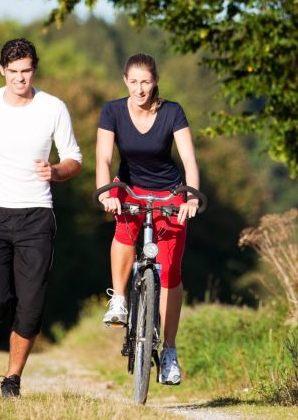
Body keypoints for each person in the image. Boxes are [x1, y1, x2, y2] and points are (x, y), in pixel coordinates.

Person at [0, 37, 82, 397]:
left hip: (36, 214)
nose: (19, 78)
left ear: (34, 69)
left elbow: (74, 158)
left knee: (30, 309)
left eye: (26, 71)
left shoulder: (53, 108)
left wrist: (56, 171)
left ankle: (12, 379)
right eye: (13, 72)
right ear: (2, 70)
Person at [95, 52, 200, 386]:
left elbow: (188, 158)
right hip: (129, 189)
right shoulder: (112, 110)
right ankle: (120, 299)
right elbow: (103, 156)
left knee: (170, 271)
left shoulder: (172, 112)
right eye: (134, 82)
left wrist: (192, 194)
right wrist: (106, 191)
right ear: (125, 80)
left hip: (169, 192)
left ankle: (169, 351)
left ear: (156, 82)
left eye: (146, 81)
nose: (140, 89)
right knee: (124, 235)